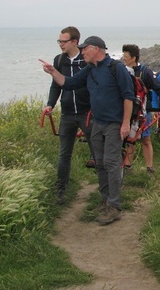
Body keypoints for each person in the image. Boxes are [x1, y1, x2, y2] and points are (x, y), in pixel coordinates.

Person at [40, 36, 134, 226]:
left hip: (114, 123)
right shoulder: (90, 69)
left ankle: (114, 207)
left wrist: (125, 124)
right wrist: (53, 72)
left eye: (85, 49)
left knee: (111, 162)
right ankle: (105, 200)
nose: (82, 52)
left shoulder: (117, 69)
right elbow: (70, 83)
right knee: (99, 162)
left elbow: (128, 97)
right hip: (97, 122)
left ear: (96, 49)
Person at [42, 26, 94, 204]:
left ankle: (106, 190)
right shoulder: (59, 60)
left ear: (75, 42)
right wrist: (50, 104)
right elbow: (56, 85)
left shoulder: (86, 59)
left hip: (87, 113)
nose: (60, 45)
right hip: (67, 114)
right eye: (59, 41)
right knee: (64, 154)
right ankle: (60, 191)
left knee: (97, 152)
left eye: (63, 41)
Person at [121, 44, 160, 174]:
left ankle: (149, 168)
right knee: (130, 140)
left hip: (143, 112)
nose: (123, 59)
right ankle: (127, 167)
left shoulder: (145, 72)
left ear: (133, 58)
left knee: (145, 139)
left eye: (125, 56)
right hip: (127, 112)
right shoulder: (121, 71)